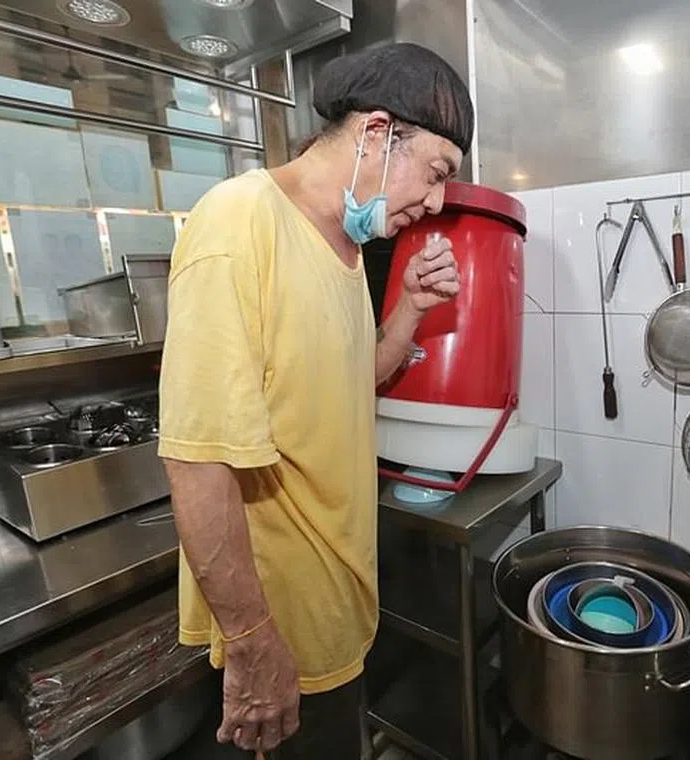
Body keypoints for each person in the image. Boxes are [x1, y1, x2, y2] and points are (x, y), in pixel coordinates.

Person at [157, 42, 474, 758]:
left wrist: (411, 308)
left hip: (336, 601)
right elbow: (198, 459)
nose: (436, 202)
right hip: (283, 622)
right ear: (376, 133)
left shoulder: (345, 246)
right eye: (436, 173)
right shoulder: (240, 222)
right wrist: (253, 644)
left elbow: (350, 379)